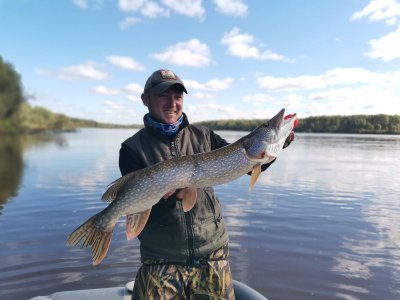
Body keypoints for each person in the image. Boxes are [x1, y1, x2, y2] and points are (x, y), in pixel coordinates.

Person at [119, 69, 294, 300]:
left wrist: (277, 146)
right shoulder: (132, 149)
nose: (172, 103)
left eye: (178, 96)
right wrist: (170, 193)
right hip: (161, 257)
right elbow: (137, 204)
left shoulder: (204, 136)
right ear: (146, 99)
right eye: (164, 95)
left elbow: (249, 164)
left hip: (212, 253)